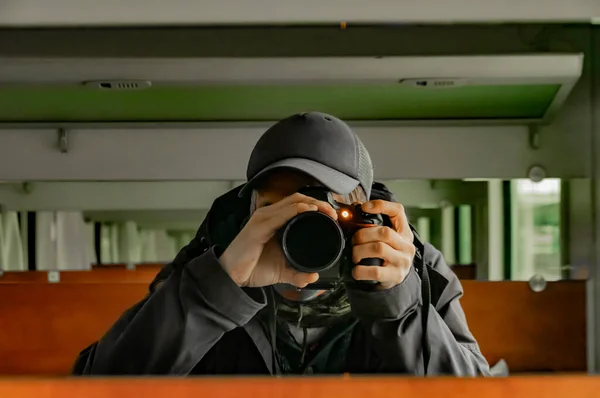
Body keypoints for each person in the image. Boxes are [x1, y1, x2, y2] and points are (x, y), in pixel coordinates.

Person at [72, 112, 490, 376]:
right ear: (250, 209)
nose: (299, 232)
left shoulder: (412, 269)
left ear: (363, 211)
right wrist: (218, 289)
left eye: (324, 213)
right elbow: (94, 388)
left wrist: (398, 306)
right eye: (277, 210)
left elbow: (478, 392)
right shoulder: (210, 263)